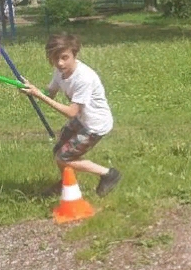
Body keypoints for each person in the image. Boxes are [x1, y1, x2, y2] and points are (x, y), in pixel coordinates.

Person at [20, 32, 121, 196]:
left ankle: (108, 174)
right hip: (82, 119)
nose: (60, 63)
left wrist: (39, 95)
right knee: (58, 150)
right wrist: (31, 90)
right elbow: (50, 92)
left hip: (95, 124)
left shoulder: (83, 78)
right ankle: (66, 182)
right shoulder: (60, 71)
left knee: (64, 158)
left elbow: (71, 112)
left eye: (64, 57)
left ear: (74, 54)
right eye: (55, 58)